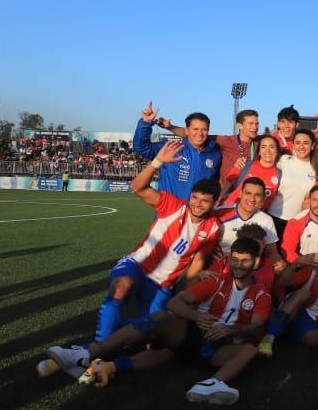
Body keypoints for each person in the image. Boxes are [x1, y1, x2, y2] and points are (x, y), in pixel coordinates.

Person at [46, 238, 269, 405]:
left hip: (220, 347)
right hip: (191, 334)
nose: (238, 265)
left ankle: (211, 384)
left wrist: (229, 328)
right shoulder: (218, 281)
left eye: (245, 261)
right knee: (161, 319)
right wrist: (198, 317)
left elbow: (256, 325)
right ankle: (87, 354)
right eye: (235, 259)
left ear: (256, 262)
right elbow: (175, 303)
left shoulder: (261, 294)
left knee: (250, 349)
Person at [92, 140, 222, 345]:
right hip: (137, 265)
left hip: (163, 284)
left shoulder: (213, 227)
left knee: (152, 335)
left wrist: (190, 294)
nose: (197, 204)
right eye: (195, 198)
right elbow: (137, 187)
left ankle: (117, 329)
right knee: (121, 286)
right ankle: (97, 349)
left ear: (214, 203)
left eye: (204, 201)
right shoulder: (173, 205)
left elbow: (197, 261)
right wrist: (157, 161)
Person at [133, 102, 221, 200]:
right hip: (171, 211)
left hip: (198, 212)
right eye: (195, 129)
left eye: (204, 129)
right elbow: (142, 147)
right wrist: (145, 124)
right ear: (187, 131)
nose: (200, 133)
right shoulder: (172, 148)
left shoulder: (215, 153)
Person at [163, 108, 260, 190]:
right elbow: (196, 135)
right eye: (251, 124)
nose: (255, 127)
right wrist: (170, 127)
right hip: (224, 195)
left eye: (257, 124)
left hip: (246, 193)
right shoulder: (227, 141)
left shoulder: (261, 143)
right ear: (239, 125)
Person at [213, 176, 283, 273]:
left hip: (250, 271)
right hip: (220, 267)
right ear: (241, 193)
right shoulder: (220, 213)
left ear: (263, 198)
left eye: (257, 195)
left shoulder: (266, 220)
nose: (252, 199)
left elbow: (272, 253)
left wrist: (280, 264)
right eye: (248, 193)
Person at [268, 129, 318, 232]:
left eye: (306, 143)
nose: (301, 147)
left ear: (312, 145)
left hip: (302, 221)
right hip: (275, 217)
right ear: (294, 145)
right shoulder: (283, 160)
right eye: (298, 143)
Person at [224, 134, 281, 208]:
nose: (267, 150)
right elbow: (228, 183)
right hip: (230, 210)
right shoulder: (244, 164)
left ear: (277, 151)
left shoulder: (280, 175)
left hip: (257, 217)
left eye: (272, 147)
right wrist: (218, 199)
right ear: (259, 151)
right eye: (263, 147)